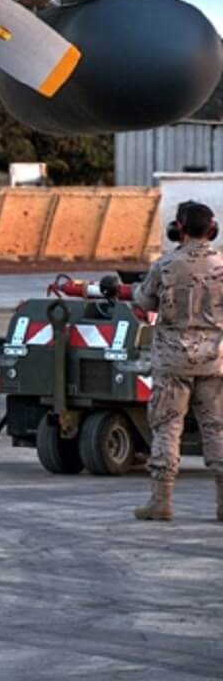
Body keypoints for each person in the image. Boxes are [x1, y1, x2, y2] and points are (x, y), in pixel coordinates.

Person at [132, 199, 223, 522]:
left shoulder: (165, 265)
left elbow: (142, 303)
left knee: (167, 427)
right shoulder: (221, 265)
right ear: (211, 230)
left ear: (178, 230)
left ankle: (161, 501)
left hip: (172, 361)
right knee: (216, 428)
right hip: (213, 360)